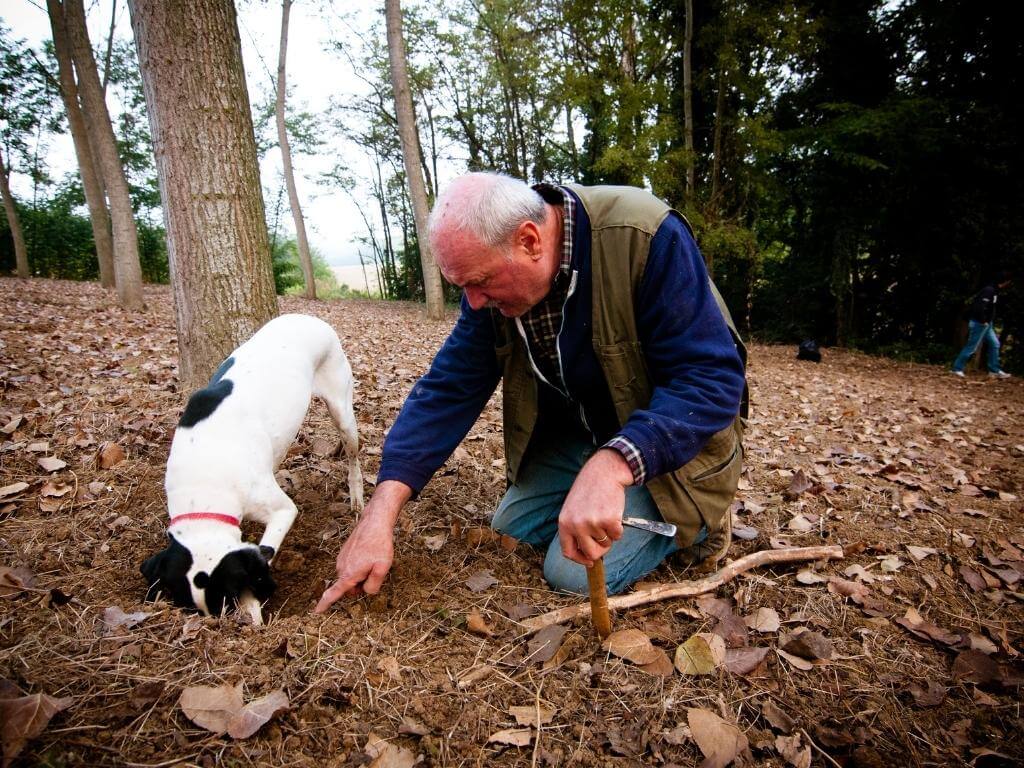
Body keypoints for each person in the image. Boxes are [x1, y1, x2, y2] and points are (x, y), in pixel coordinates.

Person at [315, 173, 746, 612]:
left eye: (479, 282)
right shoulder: (492, 282)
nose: (475, 302)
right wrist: (379, 515)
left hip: (673, 447)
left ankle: (701, 524)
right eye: (463, 287)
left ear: (529, 241)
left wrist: (614, 466)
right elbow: (449, 388)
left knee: (571, 573)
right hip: (585, 433)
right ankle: (595, 483)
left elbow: (710, 378)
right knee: (512, 528)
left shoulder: (644, 237)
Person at [952, 272, 1013, 378]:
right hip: (980, 323)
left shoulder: (994, 291)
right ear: (1005, 281)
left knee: (995, 344)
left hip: (987, 324)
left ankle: (994, 370)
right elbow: (979, 307)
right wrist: (983, 320)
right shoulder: (989, 290)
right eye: (1008, 282)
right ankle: (957, 368)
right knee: (971, 347)